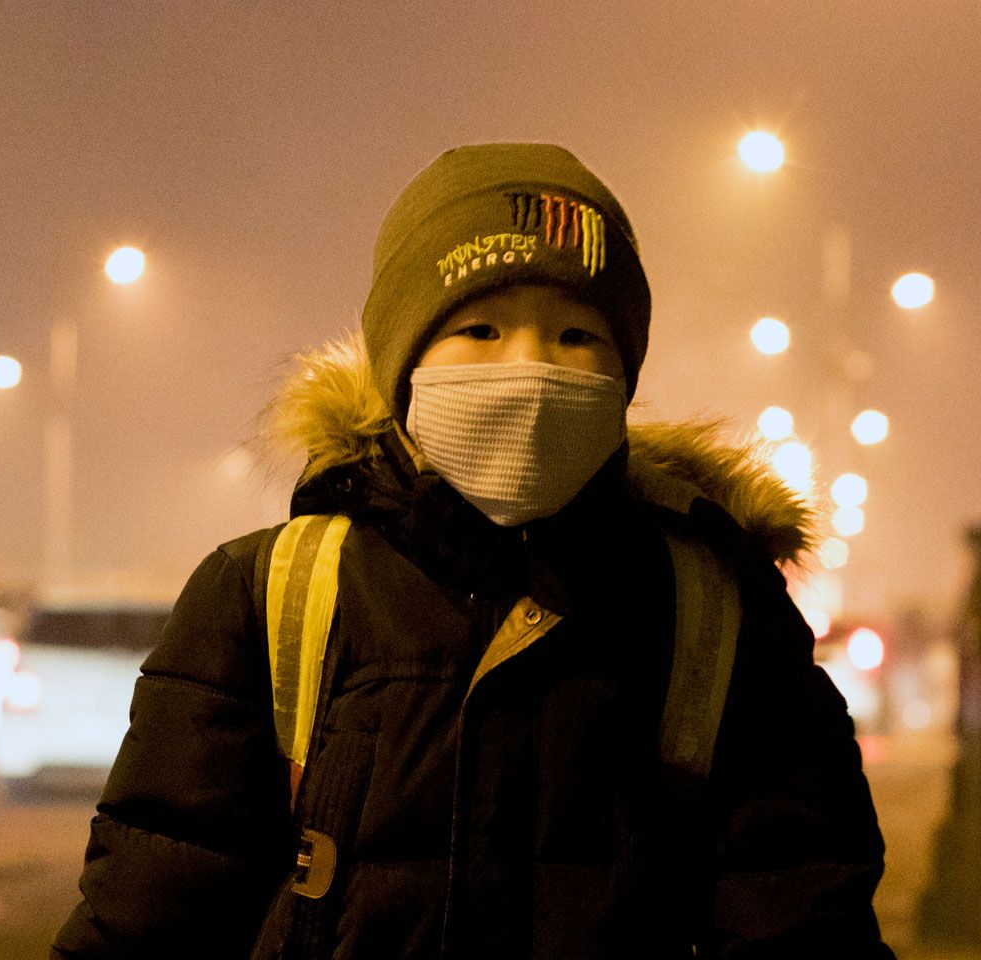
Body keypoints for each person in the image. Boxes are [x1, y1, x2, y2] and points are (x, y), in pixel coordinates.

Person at [51, 143, 893, 959]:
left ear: (624, 373)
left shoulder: (715, 609)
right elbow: (152, 912)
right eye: (481, 329)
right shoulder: (268, 593)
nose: (531, 370)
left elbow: (802, 916)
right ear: (405, 362)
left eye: (577, 337)